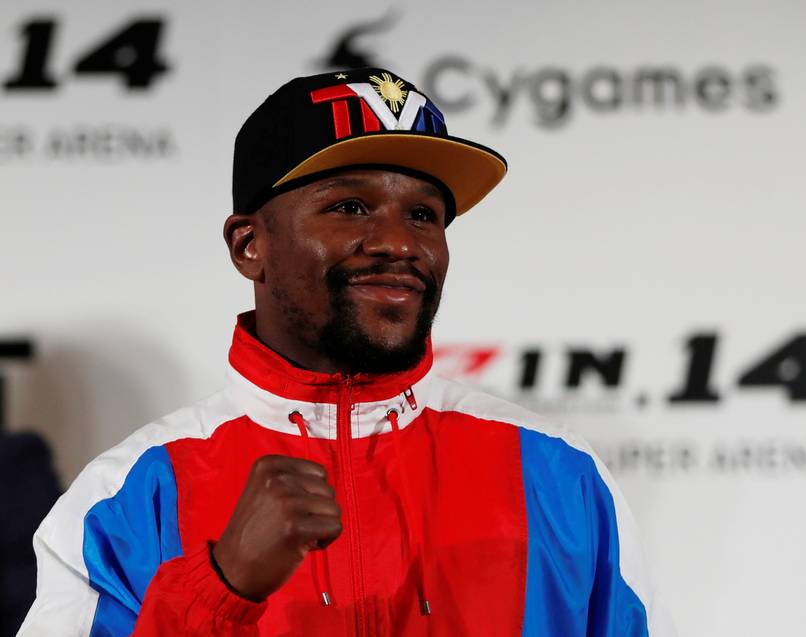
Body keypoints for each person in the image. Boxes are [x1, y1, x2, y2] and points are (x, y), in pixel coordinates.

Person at [18, 68, 672, 636]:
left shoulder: (561, 473)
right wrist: (219, 590)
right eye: (352, 206)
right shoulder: (128, 494)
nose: (399, 243)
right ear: (250, 245)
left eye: (424, 215)